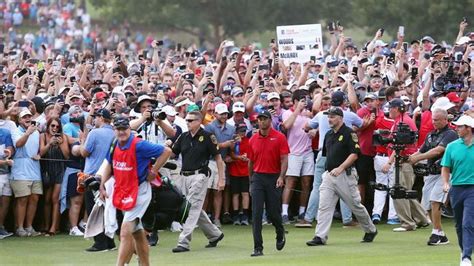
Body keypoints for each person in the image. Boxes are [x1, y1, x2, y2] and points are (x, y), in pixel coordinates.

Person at [97, 116, 171, 266]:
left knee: (125, 231)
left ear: (129, 129)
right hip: (124, 191)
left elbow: (166, 151)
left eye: (124, 129)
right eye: (118, 129)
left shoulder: (139, 145)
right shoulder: (113, 144)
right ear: (114, 130)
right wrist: (102, 184)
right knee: (137, 232)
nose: (121, 132)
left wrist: (154, 171)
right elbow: (109, 165)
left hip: (139, 191)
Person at [306, 107, 377, 246]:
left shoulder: (349, 133)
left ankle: (370, 229)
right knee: (324, 206)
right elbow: (327, 155)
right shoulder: (328, 135)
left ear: (340, 118)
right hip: (329, 175)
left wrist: (341, 168)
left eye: (332, 117)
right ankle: (320, 236)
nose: (329, 119)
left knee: (355, 205)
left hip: (345, 174)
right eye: (328, 117)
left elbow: (354, 154)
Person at [170, 111, 225, 252]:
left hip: (200, 175)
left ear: (199, 121)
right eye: (187, 120)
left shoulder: (207, 136)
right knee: (195, 208)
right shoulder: (183, 137)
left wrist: (221, 179)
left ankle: (183, 241)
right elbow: (172, 153)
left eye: (190, 120)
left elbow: (218, 158)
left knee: (191, 207)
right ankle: (214, 235)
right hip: (185, 176)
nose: (187, 122)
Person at [407, 108, 457, 245]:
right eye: (433, 119)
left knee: (436, 200)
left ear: (445, 120)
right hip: (430, 173)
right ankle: (440, 234)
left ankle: (435, 233)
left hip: (445, 172)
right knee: (427, 205)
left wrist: (417, 159)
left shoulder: (451, 134)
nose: (434, 122)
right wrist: (409, 158)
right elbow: (421, 150)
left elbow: (438, 150)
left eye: (437, 120)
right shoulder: (430, 135)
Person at [383, 98, 430, 232]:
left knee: (399, 191)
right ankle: (422, 219)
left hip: (403, 161)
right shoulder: (402, 120)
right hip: (405, 160)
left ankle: (407, 223)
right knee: (405, 192)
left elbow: (400, 146)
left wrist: (389, 162)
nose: (389, 110)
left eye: (391, 107)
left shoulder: (403, 122)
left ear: (397, 109)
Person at [247, 110, 289, 257]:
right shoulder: (252, 139)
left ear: (270, 121)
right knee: (257, 213)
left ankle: (279, 230)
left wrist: (281, 177)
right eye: (260, 119)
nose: (262, 122)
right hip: (258, 177)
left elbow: (284, 159)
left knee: (273, 212)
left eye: (264, 119)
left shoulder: (279, 137)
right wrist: (251, 181)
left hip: (273, 177)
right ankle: (258, 247)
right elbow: (251, 162)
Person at [80, 108, 116, 251]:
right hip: (110, 177)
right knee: (107, 210)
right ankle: (110, 242)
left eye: (96, 117)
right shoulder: (115, 133)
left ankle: (100, 243)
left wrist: (82, 141)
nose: (94, 120)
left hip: (94, 176)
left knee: (94, 210)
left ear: (101, 118)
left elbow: (85, 152)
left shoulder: (94, 133)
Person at [441, 115, 474, 266]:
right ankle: (464, 251)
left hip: (472, 188)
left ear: (469, 128)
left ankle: (466, 256)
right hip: (457, 189)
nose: (457, 129)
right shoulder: (452, 146)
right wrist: (446, 182)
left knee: (468, 222)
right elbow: (446, 167)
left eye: (460, 127)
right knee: (459, 224)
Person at [281, 90, 314, 225]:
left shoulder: (309, 115)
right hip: (293, 152)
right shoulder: (287, 113)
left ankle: (302, 212)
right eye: (301, 100)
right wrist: (297, 110)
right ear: (295, 101)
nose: (304, 102)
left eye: (305, 100)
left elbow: (314, 131)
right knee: (290, 181)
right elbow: (286, 126)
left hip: (308, 152)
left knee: (306, 182)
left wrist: (312, 131)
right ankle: (284, 213)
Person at [10, 109, 42, 237]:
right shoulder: (16, 131)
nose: (28, 119)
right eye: (24, 117)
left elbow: (38, 150)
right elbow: (18, 144)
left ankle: (29, 227)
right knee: (22, 200)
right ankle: (20, 228)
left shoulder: (37, 132)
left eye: (29, 116)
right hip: (20, 171)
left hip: (35, 170)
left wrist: (39, 154)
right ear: (19, 120)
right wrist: (27, 133)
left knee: (34, 198)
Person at [39, 117, 69, 235]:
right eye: (52, 126)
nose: (55, 128)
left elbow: (67, 156)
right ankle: (46, 225)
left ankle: (53, 227)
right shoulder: (43, 136)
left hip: (59, 170)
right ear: (48, 126)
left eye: (57, 126)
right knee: (46, 199)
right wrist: (49, 143)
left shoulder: (63, 137)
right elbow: (41, 152)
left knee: (55, 198)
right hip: (47, 170)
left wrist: (61, 144)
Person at [0, 127, 14, 239]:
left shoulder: (5, 132)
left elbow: (10, 148)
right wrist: (5, 162)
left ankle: (0, 227)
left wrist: (9, 152)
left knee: (5, 201)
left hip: (6, 173)